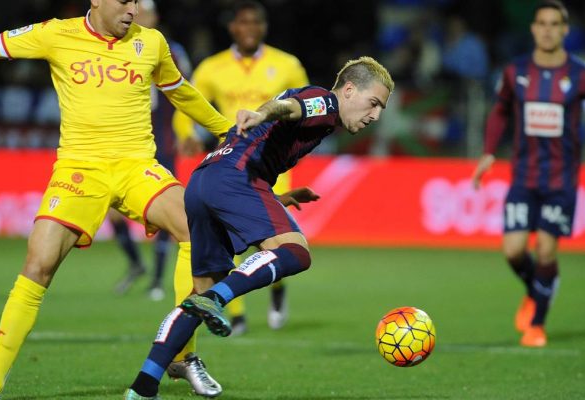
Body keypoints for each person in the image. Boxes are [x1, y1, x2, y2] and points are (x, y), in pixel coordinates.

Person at [0, 1, 230, 398]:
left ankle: (182, 355)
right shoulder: (55, 34)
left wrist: (227, 131)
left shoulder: (151, 42)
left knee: (195, 226)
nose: (133, 9)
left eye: (137, 1)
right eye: (125, 0)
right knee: (38, 264)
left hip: (137, 165)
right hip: (79, 171)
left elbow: (181, 92)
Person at [124, 56, 393, 400]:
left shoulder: (324, 121)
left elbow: (263, 144)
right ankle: (217, 299)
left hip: (205, 181)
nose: (375, 116)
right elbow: (289, 106)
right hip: (233, 179)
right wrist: (262, 113)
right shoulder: (325, 102)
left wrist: (278, 197)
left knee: (196, 298)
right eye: (374, 103)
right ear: (350, 90)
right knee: (295, 252)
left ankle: (143, 385)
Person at [471, 0, 585, 348]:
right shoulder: (514, 72)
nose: (548, 29)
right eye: (542, 23)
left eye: (555, 24)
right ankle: (539, 287)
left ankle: (537, 324)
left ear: (565, 30)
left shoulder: (582, 75)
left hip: (561, 179)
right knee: (513, 251)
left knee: (547, 251)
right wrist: (489, 151)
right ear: (533, 29)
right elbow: (500, 112)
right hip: (524, 176)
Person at [173, 0, 310, 335]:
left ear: (264, 27)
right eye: (243, 23)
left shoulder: (287, 64)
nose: (250, 29)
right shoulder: (211, 68)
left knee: (274, 241)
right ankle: (236, 314)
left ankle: (277, 290)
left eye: (256, 23)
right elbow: (186, 104)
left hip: (273, 164)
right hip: (233, 163)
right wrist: (186, 133)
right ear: (233, 27)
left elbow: (305, 106)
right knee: (229, 239)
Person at [111, 0, 194, 301]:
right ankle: (135, 264)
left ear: (154, 16)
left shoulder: (169, 50)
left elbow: (185, 93)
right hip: (124, 143)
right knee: (113, 211)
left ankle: (158, 279)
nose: (136, 15)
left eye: (144, 11)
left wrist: (186, 131)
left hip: (162, 139)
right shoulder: (117, 44)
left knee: (166, 212)